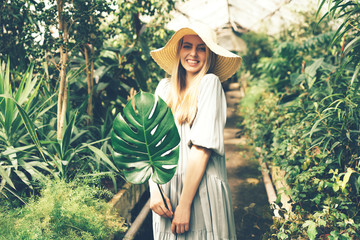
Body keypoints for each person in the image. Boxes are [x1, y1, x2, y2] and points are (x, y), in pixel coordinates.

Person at [149, 22, 242, 240]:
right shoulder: (163, 89)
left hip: (200, 191)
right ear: (179, 51)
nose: (193, 53)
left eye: (201, 48)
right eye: (187, 46)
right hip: (166, 192)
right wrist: (154, 191)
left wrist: (184, 204)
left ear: (209, 54)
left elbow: (202, 148)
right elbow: (151, 147)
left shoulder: (210, 84)